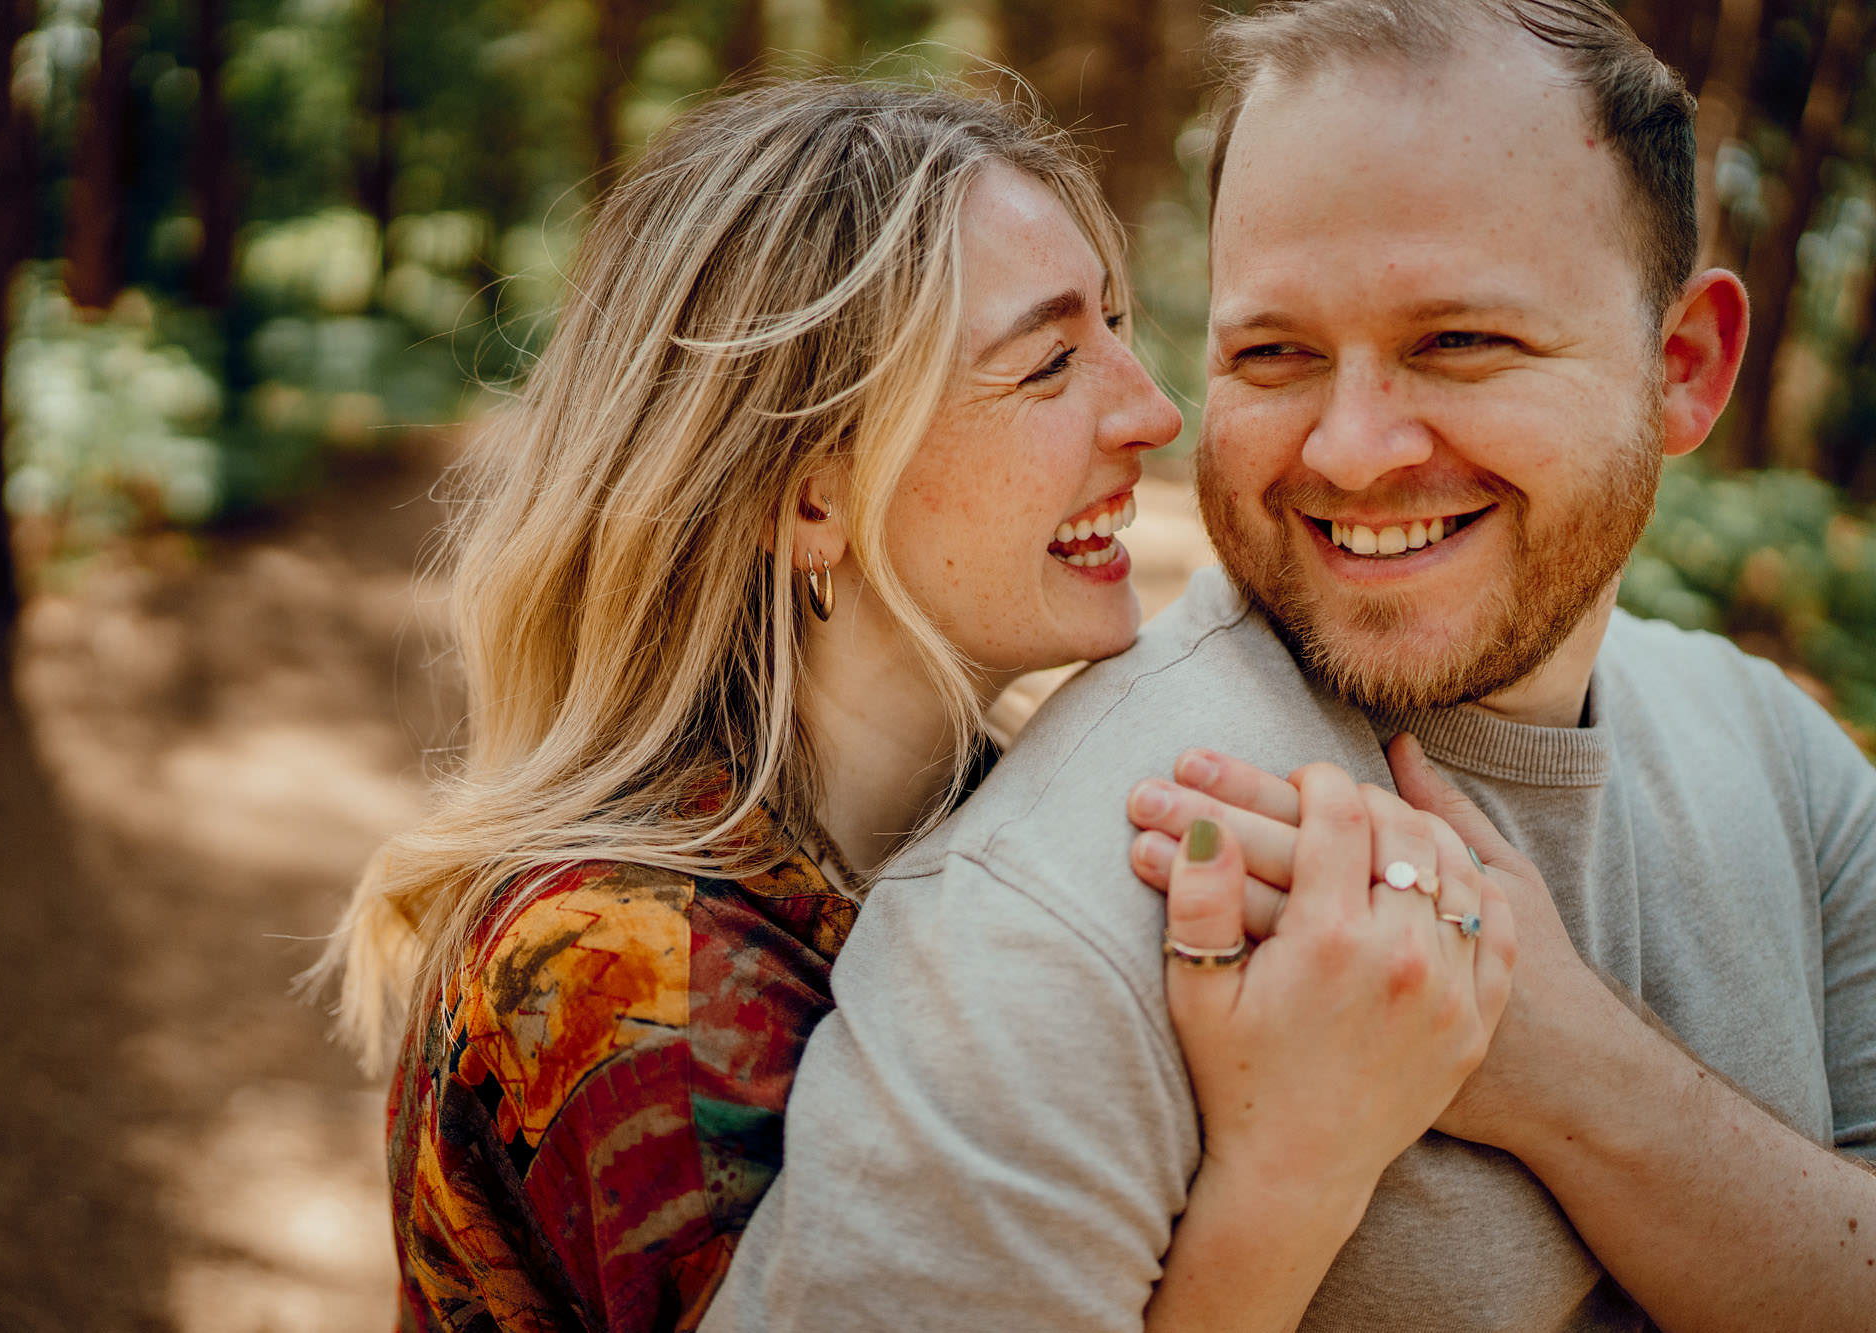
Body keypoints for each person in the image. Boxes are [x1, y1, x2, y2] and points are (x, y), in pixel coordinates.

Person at [702, 4, 1876, 1330]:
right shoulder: (1054, 915)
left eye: (1459, 342)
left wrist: (1575, 1077)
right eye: (1274, 354)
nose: (1355, 451)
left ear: (1685, 366)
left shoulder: (1788, 759)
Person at [307, 78, 1511, 1332]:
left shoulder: (1005, 830)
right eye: (1049, 362)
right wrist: (1294, 1169)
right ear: (811, 492)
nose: (1153, 413)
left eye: (1114, 324)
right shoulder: (624, 978)